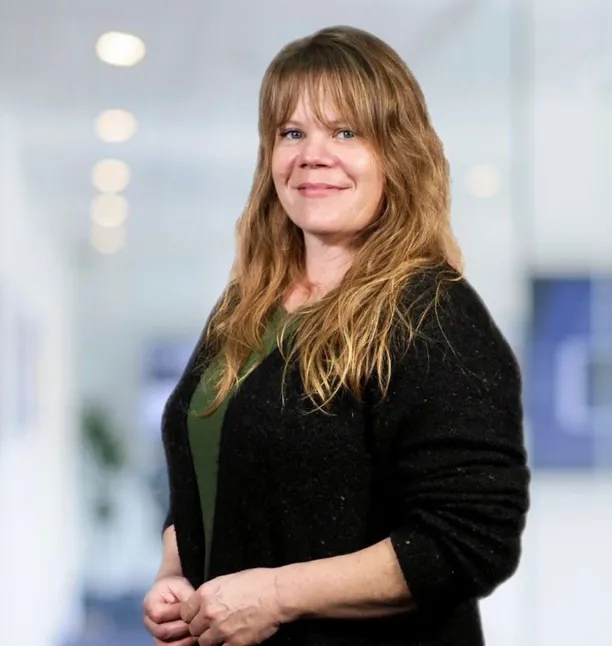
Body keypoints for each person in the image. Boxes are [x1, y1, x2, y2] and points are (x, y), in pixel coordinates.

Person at [143, 25, 530, 646]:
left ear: (396, 155)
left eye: (345, 132)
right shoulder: (245, 307)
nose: (312, 154)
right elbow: (216, 463)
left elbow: (467, 538)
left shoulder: (434, 316)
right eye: (292, 132)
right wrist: (176, 569)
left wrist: (273, 596)